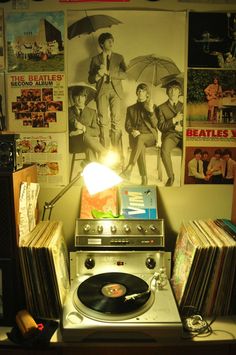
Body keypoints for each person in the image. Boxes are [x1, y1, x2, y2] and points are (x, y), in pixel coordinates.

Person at [88, 32, 127, 152]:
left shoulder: (119, 57)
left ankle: (115, 153)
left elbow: (124, 74)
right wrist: (99, 74)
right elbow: (90, 79)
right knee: (103, 122)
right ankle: (105, 153)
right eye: (108, 41)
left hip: (116, 91)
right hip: (101, 90)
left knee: (116, 122)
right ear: (101, 44)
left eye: (112, 40)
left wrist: (109, 73)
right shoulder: (95, 59)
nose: (111, 43)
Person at [121, 83, 158, 185]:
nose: (140, 92)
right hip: (136, 138)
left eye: (143, 90)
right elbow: (127, 126)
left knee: (140, 139)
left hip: (151, 136)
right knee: (140, 145)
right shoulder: (131, 108)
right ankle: (144, 179)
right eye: (139, 90)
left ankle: (130, 168)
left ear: (147, 94)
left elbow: (155, 124)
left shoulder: (153, 106)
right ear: (136, 93)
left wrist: (151, 111)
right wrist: (133, 131)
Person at [155, 75, 183, 186]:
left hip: (184, 135)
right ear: (167, 92)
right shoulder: (161, 108)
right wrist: (174, 120)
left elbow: (189, 123)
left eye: (176, 89)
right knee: (164, 150)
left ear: (179, 92)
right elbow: (161, 126)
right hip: (171, 136)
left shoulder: (184, 106)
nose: (173, 92)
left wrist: (183, 127)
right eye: (170, 89)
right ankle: (171, 177)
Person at [68, 86, 106, 163]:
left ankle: (95, 172)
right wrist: (72, 133)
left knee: (89, 149)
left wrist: (83, 128)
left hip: (89, 144)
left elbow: (97, 131)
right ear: (73, 98)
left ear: (85, 98)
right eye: (77, 96)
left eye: (82, 96)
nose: (79, 99)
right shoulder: (68, 111)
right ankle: (105, 153)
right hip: (75, 144)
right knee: (86, 137)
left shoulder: (92, 112)